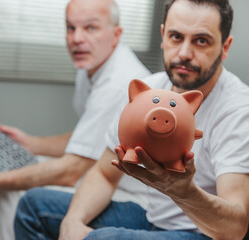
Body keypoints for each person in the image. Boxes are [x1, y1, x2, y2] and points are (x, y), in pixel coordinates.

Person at [13, 0, 249, 239]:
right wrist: (72, 222)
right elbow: (104, 175)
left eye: (201, 41)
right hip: (152, 220)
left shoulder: (237, 110)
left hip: (203, 233)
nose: (185, 53)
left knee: (99, 238)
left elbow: (235, 230)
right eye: (176, 37)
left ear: (225, 46)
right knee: (33, 206)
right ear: (163, 36)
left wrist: (184, 192)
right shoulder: (149, 92)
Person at [0, 0, 150, 239]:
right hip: (100, 177)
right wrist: (33, 144)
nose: (76, 38)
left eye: (90, 28)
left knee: (11, 189)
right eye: (71, 28)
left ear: (116, 34)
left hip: (131, 198)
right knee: (24, 169)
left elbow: (71, 170)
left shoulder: (118, 83)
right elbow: (90, 139)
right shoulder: (91, 66)